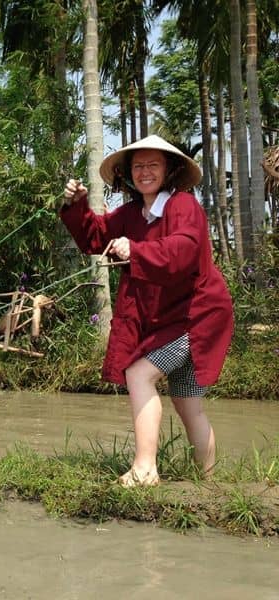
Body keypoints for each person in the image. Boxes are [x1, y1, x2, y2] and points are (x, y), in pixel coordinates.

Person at [61, 135, 234, 487]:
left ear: (169, 170)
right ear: (128, 174)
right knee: (187, 403)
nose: (145, 172)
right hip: (170, 317)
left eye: (153, 165)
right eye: (138, 166)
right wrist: (77, 206)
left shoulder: (182, 205)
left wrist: (135, 250)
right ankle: (209, 483)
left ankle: (145, 469)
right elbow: (95, 237)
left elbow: (183, 249)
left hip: (196, 314)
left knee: (140, 375)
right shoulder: (130, 214)